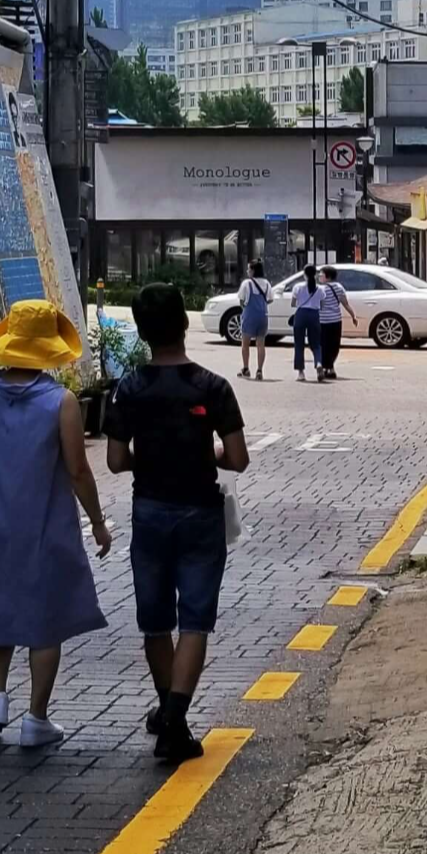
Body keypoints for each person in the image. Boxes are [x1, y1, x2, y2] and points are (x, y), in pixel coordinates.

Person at [104, 284, 251, 763]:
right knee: (195, 621)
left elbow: (114, 461)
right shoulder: (212, 387)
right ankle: (173, 722)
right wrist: (201, 451)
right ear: (184, 325)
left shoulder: (128, 388)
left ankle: (169, 713)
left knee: (155, 623)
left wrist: (151, 456)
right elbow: (238, 459)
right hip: (200, 514)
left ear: (144, 333)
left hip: (148, 512)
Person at [0, 300, 112, 748]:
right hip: (46, 526)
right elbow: (79, 472)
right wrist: (99, 524)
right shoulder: (61, 402)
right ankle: (36, 718)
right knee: (46, 621)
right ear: (49, 347)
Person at [315, 265, 356, 381]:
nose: (319, 276)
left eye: (321, 275)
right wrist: (353, 316)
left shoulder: (320, 289)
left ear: (327, 277)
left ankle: (325, 367)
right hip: (336, 321)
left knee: (323, 345)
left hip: (322, 321)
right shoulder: (339, 287)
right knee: (334, 345)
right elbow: (345, 303)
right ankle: (330, 367)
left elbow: (318, 305)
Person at [235, 261, 273, 380]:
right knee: (260, 344)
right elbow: (271, 299)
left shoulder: (247, 283)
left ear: (253, 270)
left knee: (245, 343)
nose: (247, 271)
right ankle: (259, 370)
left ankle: (246, 368)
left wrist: (244, 306)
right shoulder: (266, 283)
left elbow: (241, 299)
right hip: (263, 315)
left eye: (248, 269)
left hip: (249, 315)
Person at [289, 263, 323, 382]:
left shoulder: (298, 287)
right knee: (316, 343)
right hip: (314, 315)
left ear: (304, 274)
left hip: (301, 315)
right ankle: (318, 363)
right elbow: (322, 305)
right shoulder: (319, 289)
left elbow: (293, 303)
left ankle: (301, 372)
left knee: (299, 344)